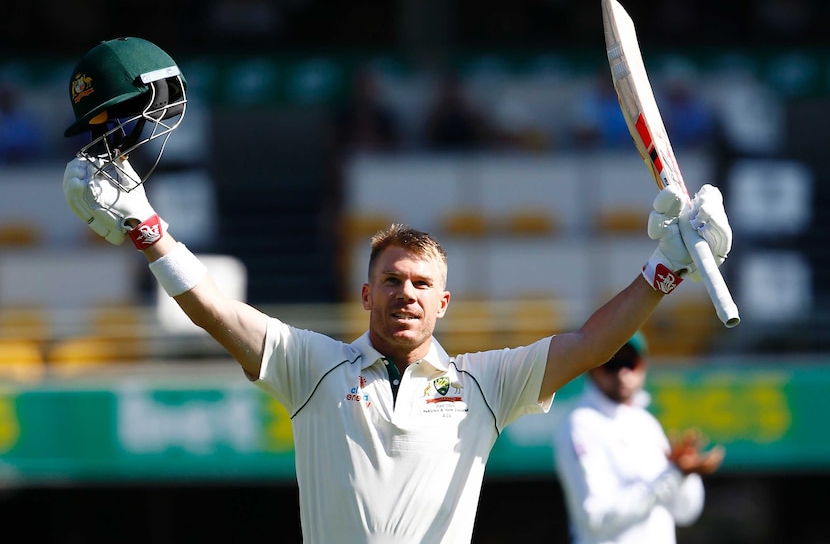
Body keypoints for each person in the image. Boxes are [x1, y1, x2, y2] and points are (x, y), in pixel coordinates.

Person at [60, 37, 733, 544]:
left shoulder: (483, 384)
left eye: (421, 284)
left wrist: (665, 267)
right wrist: (151, 232)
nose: (405, 293)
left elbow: (591, 344)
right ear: (365, 293)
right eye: (391, 280)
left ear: (444, 303)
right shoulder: (312, 367)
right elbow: (214, 309)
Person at [553, 331, 725, 544]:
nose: (623, 373)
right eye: (612, 363)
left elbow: (685, 512)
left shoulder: (646, 423)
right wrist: (672, 475)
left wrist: (684, 475)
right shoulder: (580, 424)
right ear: (593, 368)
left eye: (630, 363)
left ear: (642, 366)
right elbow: (595, 517)